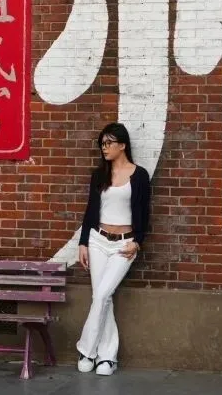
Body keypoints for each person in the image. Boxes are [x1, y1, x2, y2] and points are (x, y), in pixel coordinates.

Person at [74, 122, 151, 376]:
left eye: (108, 143)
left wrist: (137, 241)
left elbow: (145, 213)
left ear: (122, 145)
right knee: (102, 296)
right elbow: (90, 210)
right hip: (97, 240)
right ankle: (107, 357)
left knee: (102, 294)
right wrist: (83, 242)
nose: (104, 148)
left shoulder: (139, 176)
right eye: (102, 144)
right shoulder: (99, 175)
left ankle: (86, 349)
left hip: (124, 245)